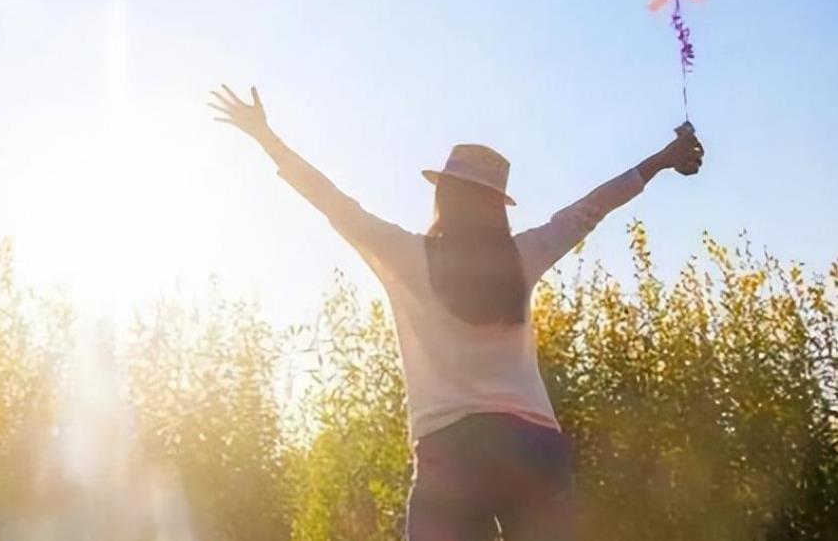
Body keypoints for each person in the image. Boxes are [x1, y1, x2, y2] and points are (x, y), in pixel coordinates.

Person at [208, 84, 704, 541]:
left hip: (452, 452)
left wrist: (266, 138)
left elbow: (333, 202)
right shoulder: (522, 256)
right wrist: (662, 159)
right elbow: (589, 210)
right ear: (497, 205)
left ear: (443, 196)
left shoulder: (406, 256)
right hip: (533, 449)